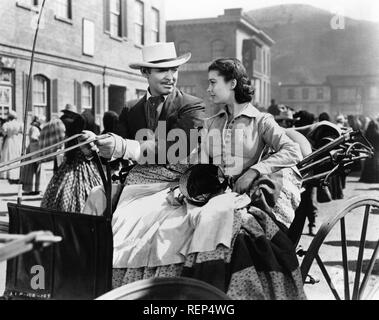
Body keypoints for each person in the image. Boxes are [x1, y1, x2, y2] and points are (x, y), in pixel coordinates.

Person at [84, 57, 306, 300]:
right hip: (209, 191)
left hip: (238, 194)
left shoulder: (261, 121)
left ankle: (214, 288)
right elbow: (197, 161)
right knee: (166, 224)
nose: (208, 89)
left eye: (213, 83)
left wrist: (256, 170)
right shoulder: (213, 123)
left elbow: (292, 151)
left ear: (232, 84)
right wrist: (181, 188)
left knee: (215, 222)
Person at [41, 104, 102, 213]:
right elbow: (89, 154)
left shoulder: (69, 127)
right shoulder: (84, 134)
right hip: (82, 166)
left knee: (60, 191)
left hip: (69, 163)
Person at [20, 115, 43, 195]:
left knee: (37, 169)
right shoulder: (34, 128)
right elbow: (33, 137)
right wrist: (40, 138)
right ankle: (32, 188)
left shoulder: (37, 128)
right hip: (34, 149)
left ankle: (37, 188)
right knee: (33, 169)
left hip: (36, 149)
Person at [0, 110, 23, 183]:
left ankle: (8, 174)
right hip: (16, 140)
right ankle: (16, 175)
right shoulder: (19, 124)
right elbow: (21, 131)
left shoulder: (6, 124)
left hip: (9, 140)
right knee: (16, 156)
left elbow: (3, 133)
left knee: (8, 157)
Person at [360, 117, 379, 183]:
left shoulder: (367, 133)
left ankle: (367, 178)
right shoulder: (377, 134)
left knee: (368, 164)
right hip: (376, 151)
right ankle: (375, 179)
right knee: (376, 165)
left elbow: (364, 142)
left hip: (370, 151)